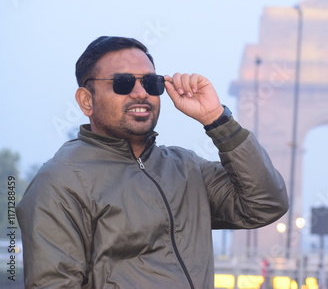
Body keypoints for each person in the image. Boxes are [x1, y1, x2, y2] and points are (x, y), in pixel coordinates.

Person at [16, 36, 289, 289]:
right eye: (123, 83)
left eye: (150, 83)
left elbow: (264, 205)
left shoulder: (187, 168)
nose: (140, 93)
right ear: (87, 101)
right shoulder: (61, 181)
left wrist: (216, 119)